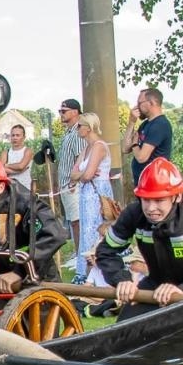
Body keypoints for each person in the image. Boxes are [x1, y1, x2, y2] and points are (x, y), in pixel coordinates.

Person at [97, 158, 183, 321]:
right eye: (146, 199)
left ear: (177, 196)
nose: (151, 208)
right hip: (157, 286)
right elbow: (106, 251)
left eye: (159, 200)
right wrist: (122, 280)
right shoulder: (133, 213)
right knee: (124, 329)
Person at [0, 153, 66, 288]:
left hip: (34, 279)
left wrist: (19, 272)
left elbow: (55, 235)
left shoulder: (26, 203)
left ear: (0, 186)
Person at [69, 111, 113, 284]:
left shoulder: (99, 146)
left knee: (96, 230)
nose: (77, 129)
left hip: (97, 193)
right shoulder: (86, 148)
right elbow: (75, 174)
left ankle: (95, 269)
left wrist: (82, 174)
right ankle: (84, 270)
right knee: (86, 230)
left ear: (88, 128)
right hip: (86, 193)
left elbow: (86, 175)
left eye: (79, 126)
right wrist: (83, 174)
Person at [125, 87, 174, 184]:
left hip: (154, 182)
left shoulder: (160, 125)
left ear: (151, 102)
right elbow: (125, 149)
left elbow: (141, 157)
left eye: (140, 103)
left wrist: (135, 144)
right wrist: (131, 122)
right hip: (142, 181)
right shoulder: (145, 124)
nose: (137, 107)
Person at [54, 99, 83, 255]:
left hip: (73, 185)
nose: (61, 114)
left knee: (77, 221)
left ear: (75, 112)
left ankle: (80, 253)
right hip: (65, 184)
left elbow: (80, 158)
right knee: (73, 221)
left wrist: (73, 181)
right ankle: (78, 252)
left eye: (64, 111)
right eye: (60, 111)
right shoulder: (68, 132)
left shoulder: (78, 132)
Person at [1, 124, 34, 193]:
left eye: (17, 135)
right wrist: (17, 171)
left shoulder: (27, 151)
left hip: (25, 189)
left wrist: (7, 165)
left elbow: (21, 166)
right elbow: (1, 170)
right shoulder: (5, 153)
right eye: (13, 135)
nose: (15, 138)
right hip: (10, 189)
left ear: (24, 137)